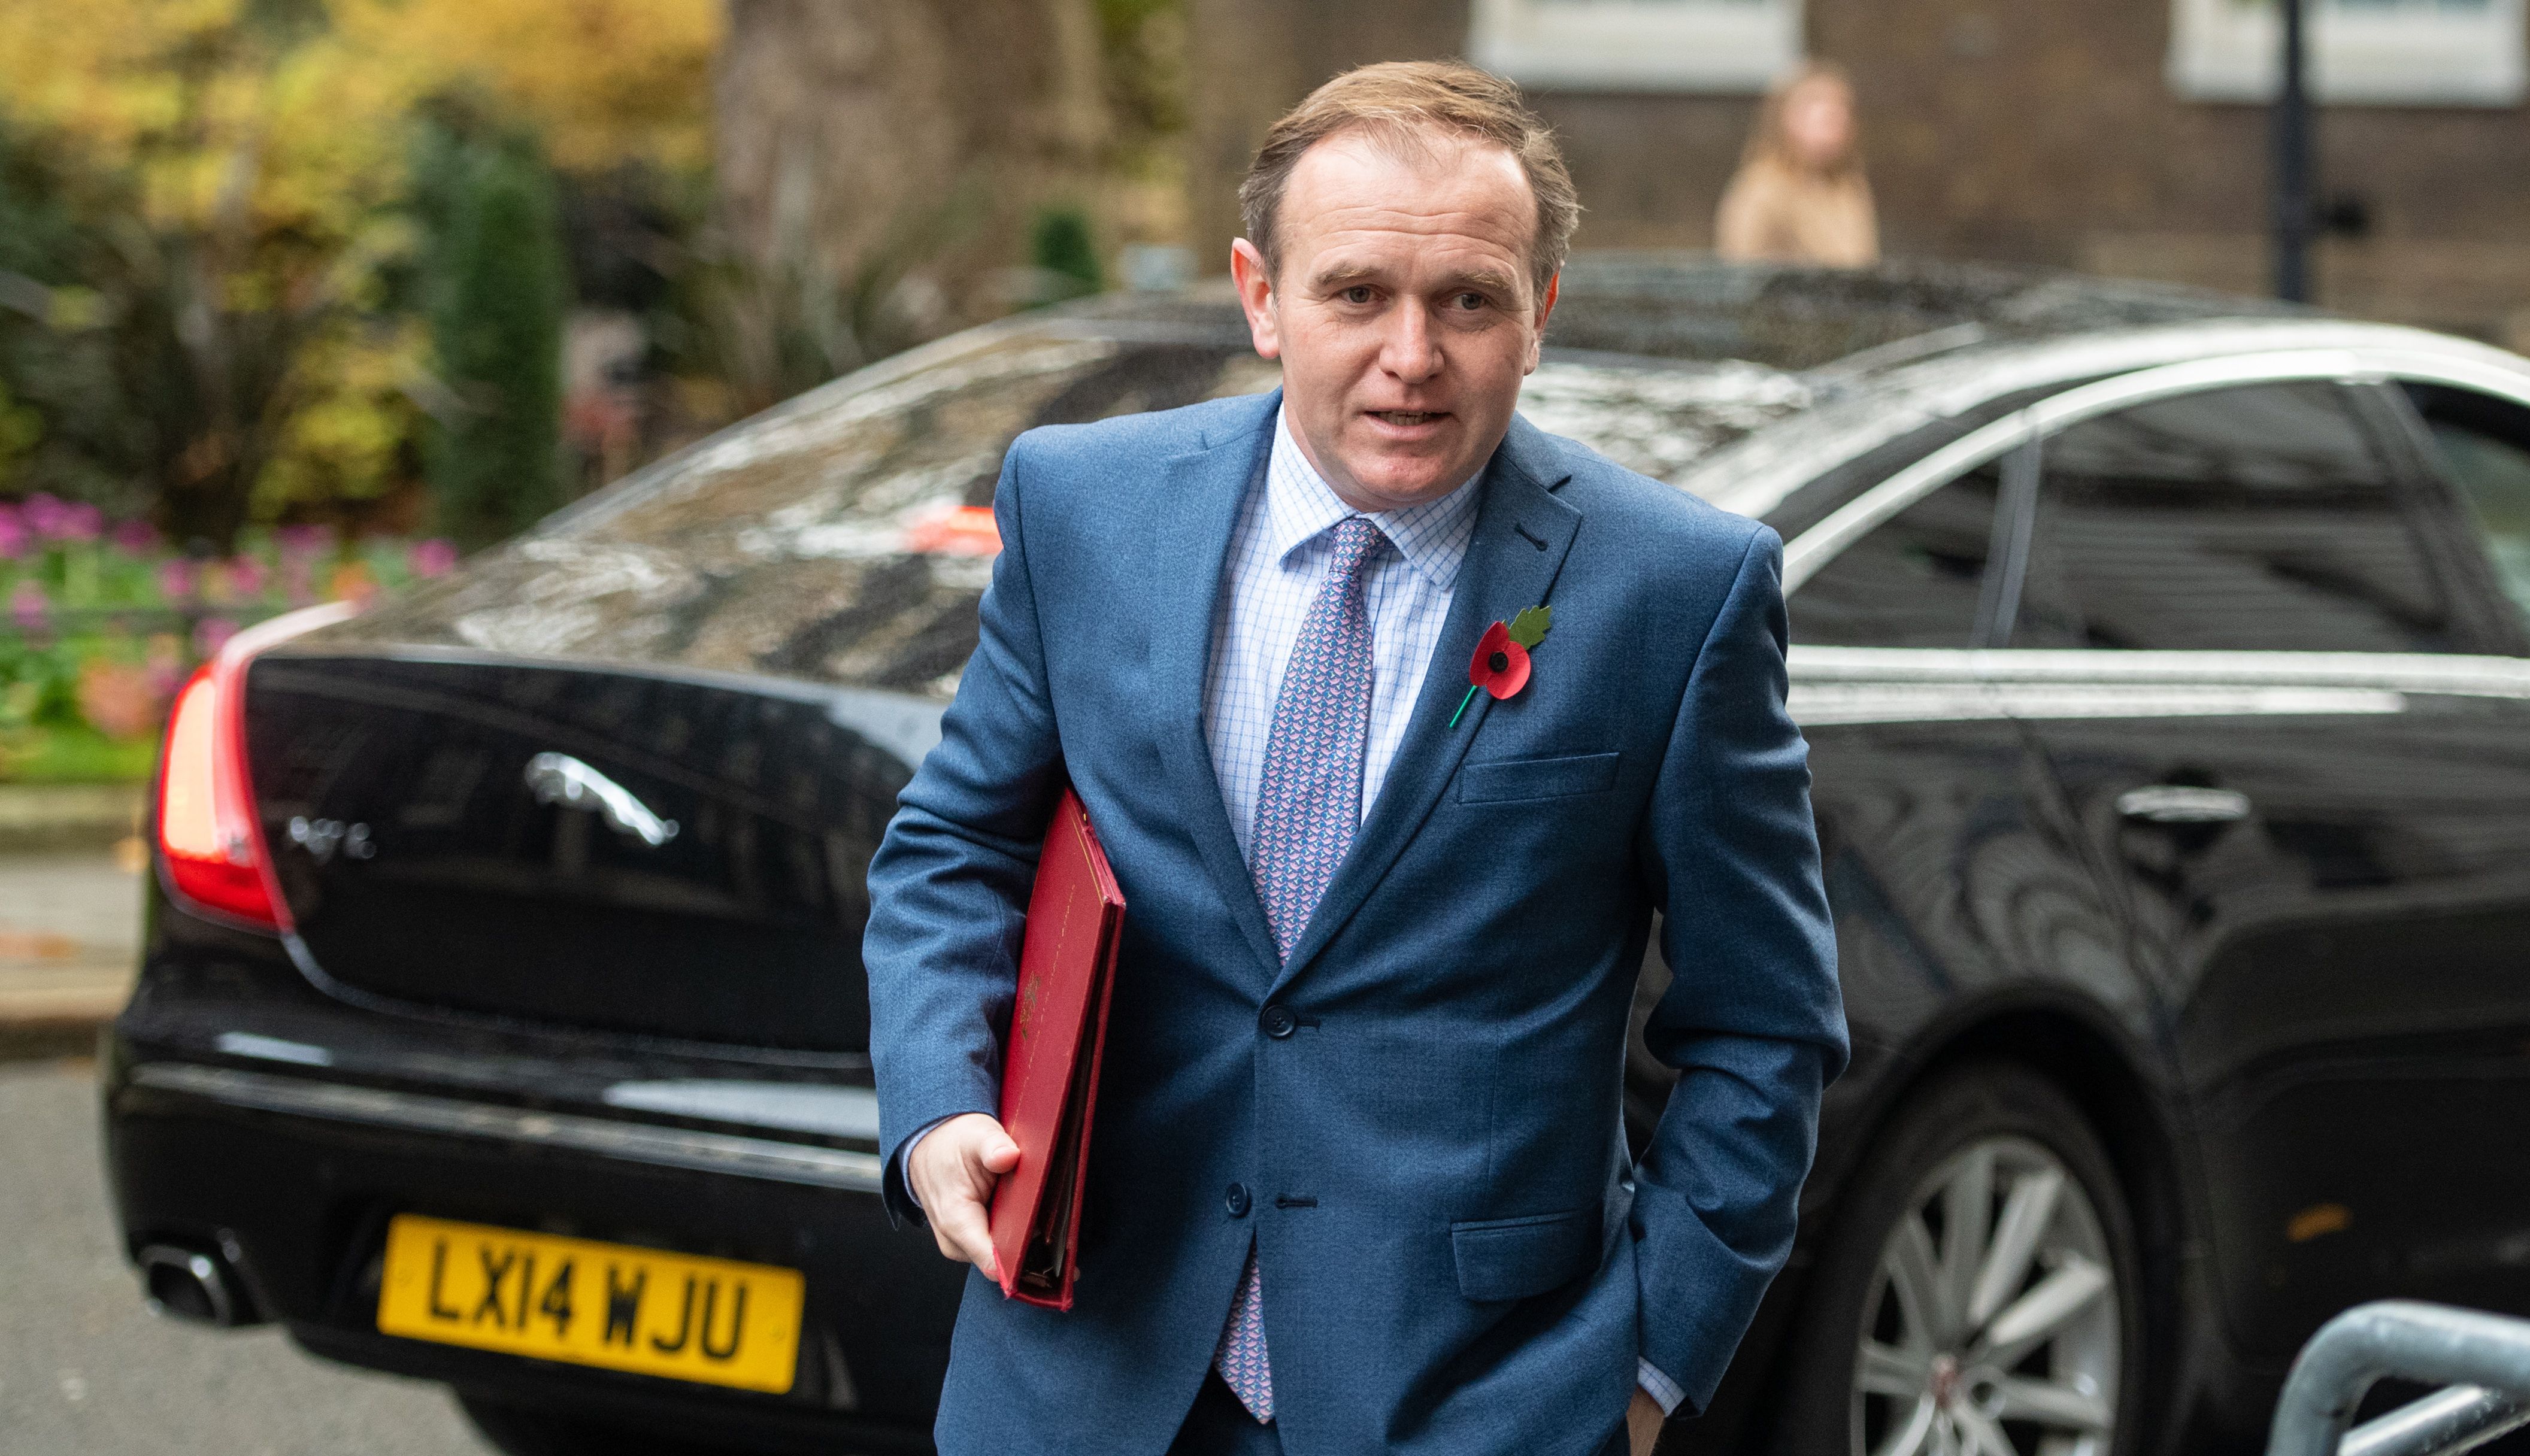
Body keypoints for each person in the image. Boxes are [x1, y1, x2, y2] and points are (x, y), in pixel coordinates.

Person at [864, 60, 1846, 1456]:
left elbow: (1764, 1023)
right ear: (1260, 298)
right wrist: (936, 1102)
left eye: (1467, 300)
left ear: (1538, 313)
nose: (1411, 354)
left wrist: (1644, 1373)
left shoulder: (1676, 592)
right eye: (1355, 293)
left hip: (1483, 1401)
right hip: (1082, 1374)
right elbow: (955, 848)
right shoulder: (1081, 505)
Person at [1715, 61, 1878, 267]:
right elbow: (1738, 271)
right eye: (1814, 102)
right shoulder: (1762, 189)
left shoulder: (1848, 187)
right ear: (1784, 116)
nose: (1831, 114)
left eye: (1840, 105)